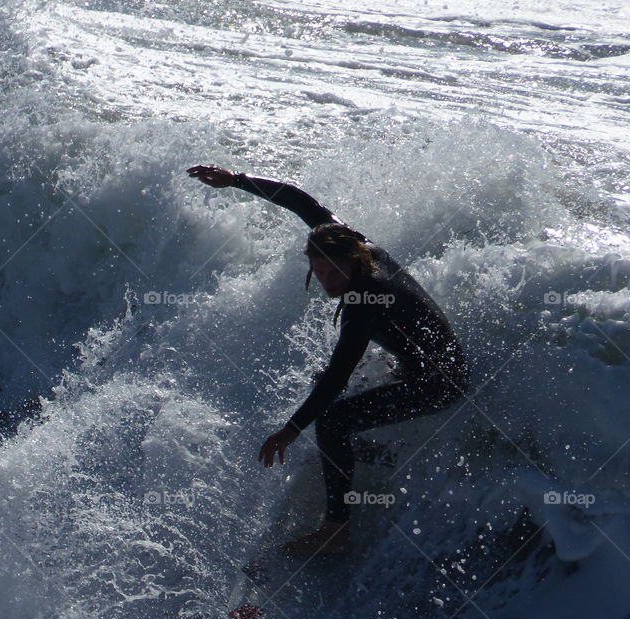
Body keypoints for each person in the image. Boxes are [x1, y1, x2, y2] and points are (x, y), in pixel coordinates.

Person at [186, 164, 470, 557]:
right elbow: (301, 201)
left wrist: (290, 430)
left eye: (335, 271)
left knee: (333, 417)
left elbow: (338, 376)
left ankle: (336, 531)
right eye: (318, 271)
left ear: (353, 263)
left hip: (440, 381)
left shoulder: (364, 300)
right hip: (421, 368)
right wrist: (235, 179)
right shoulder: (348, 242)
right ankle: (374, 459)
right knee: (336, 398)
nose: (327, 280)